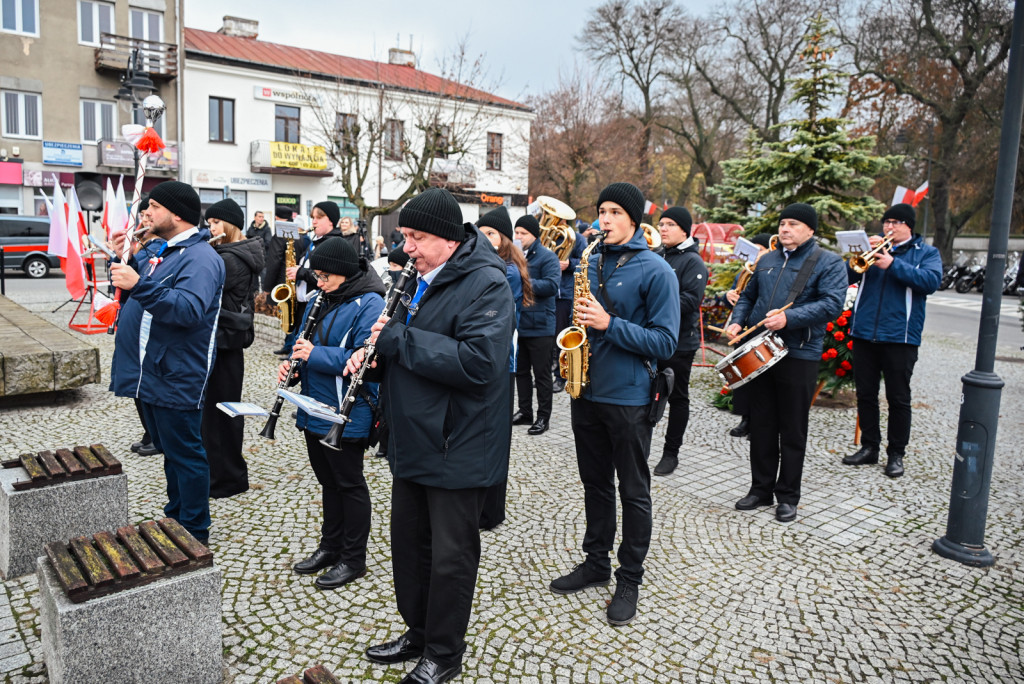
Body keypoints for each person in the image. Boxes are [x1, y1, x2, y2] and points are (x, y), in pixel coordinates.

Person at [348, 187, 515, 683]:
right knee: (409, 546)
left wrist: (398, 339)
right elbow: (404, 351)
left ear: (447, 238)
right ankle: (417, 633)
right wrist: (373, 359)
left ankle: (444, 653)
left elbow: (479, 363)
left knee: (449, 557)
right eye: (405, 237)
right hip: (412, 437)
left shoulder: (488, 283)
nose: (408, 249)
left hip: (457, 443)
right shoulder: (415, 278)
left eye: (417, 238)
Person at [549, 182, 679, 627]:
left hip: (628, 397)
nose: (603, 219)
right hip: (586, 390)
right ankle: (596, 562)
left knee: (634, 490)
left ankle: (631, 577)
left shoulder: (657, 271)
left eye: (614, 212)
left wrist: (609, 323)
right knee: (595, 483)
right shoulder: (591, 257)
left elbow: (665, 342)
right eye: (601, 210)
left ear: (633, 219)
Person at [109, 181, 225, 543]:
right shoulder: (162, 250)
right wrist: (122, 257)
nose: (146, 213)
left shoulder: (202, 258)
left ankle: (194, 530)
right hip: (150, 371)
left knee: (186, 456)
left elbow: (189, 310)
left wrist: (138, 284)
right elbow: (135, 282)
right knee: (170, 452)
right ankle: (176, 516)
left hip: (176, 373)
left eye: (154, 207)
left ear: (177, 213)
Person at [725, 203, 847, 524]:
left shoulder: (828, 262)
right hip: (761, 351)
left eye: (793, 223)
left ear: (810, 230)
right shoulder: (766, 259)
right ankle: (760, 489)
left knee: (792, 429)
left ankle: (788, 496)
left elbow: (832, 304)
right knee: (762, 424)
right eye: (782, 223)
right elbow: (748, 297)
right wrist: (737, 321)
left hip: (799, 353)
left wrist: (789, 318)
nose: (785, 229)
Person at [280, 237, 387, 589]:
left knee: (349, 484)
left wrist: (313, 356)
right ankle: (330, 547)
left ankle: (353, 559)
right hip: (315, 406)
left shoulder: (370, 303)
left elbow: (365, 360)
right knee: (328, 483)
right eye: (317, 276)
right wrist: (294, 369)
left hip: (348, 410)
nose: (319, 283)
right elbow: (303, 345)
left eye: (325, 276)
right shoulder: (323, 297)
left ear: (343, 273)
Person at [842, 203, 942, 478]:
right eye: (887, 221)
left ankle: (896, 454)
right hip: (864, 333)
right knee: (865, 394)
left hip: (901, 337)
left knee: (898, 398)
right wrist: (858, 255)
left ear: (909, 226)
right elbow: (848, 276)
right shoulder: (872, 252)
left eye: (896, 222)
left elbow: (931, 282)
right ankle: (869, 447)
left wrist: (893, 264)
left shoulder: (926, 253)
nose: (889, 227)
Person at [476, 205, 534, 531]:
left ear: (503, 240)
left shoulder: (506, 271)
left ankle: (492, 511)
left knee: (496, 437)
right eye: (481, 232)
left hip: (503, 361)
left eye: (491, 234)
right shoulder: (491, 266)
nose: (484, 238)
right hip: (492, 359)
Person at [202, 198, 264, 499]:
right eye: (209, 223)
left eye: (215, 223)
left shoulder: (229, 258)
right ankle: (225, 474)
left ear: (230, 224)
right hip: (226, 340)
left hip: (225, 340)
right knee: (221, 411)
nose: (210, 228)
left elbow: (207, 295)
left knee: (221, 412)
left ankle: (227, 478)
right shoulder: (226, 253)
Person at [653, 206, 707, 476]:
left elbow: (690, 301)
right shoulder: (658, 253)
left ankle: (671, 453)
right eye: (661, 223)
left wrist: (655, 303)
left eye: (670, 224)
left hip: (680, 342)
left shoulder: (693, 261)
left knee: (677, 397)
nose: (663, 228)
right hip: (653, 336)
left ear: (684, 229)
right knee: (648, 391)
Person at [511, 214, 561, 436]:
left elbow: (551, 285)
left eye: (523, 233)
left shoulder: (548, 257)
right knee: (520, 372)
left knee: (541, 374)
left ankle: (543, 417)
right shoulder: (515, 255)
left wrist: (523, 282)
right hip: (519, 323)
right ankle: (525, 412)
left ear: (534, 235)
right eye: (517, 232)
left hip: (541, 325)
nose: (518, 236)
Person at [724, 233, 774, 438]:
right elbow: (739, 298)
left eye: (760, 250)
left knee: (763, 379)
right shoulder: (746, 271)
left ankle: (760, 423)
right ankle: (745, 418)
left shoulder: (771, 269)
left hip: (762, 328)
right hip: (743, 330)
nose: (756, 255)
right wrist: (729, 297)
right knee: (744, 377)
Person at [553, 227, 585, 393]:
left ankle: (561, 377)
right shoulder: (549, 237)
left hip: (565, 294)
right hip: (549, 295)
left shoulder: (577, 239)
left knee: (561, 336)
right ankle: (551, 373)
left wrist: (569, 264)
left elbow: (585, 261)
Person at [246, 210, 273, 289]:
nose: (261, 219)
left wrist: (254, 245)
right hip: (252, 259)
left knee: (264, 280)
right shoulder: (250, 228)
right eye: (259, 217)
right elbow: (247, 240)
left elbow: (268, 243)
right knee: (253, 282)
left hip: (263, 258)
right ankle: (254, 299)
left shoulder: (267, 229)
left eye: (263, 217)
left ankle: (264, 299)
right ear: (255, 218)